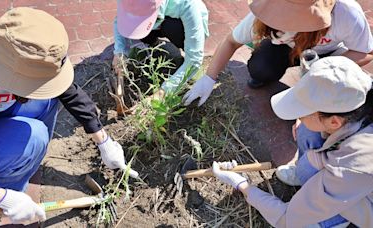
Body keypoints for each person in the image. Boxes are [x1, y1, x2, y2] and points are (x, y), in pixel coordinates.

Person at [0, 8, 138, 224]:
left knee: (47, 99)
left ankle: (19, 169)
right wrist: (0, 196)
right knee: (35, 137)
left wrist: (103, 140)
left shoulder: (16, 50)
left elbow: (69, 91)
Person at [212, 56, 373, 227]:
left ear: (334, 122)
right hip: (350, 174)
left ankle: (336, 220)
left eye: (303, 112)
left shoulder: (353, 165)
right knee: (305, 130)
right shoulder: (361, 96)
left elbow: (288, 219)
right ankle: (313, 182)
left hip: (361, 200)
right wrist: (305, 117)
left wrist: (242, 185)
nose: (298, 116)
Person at [183, 0, 373, 107]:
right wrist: (209, 78)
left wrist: (328, 67)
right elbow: (231, 41)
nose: (285, 25)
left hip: (326, 55)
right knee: (260, 68)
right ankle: (270, 71)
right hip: (286, 51)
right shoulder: (266, 15)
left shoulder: (346, 14)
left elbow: (367, 52)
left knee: (338, 93)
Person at [112, 0, 209, 94]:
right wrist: (120, 52)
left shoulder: (187, 4)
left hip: (183, 23)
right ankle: (150, 41)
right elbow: (120, 20)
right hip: (158, 20)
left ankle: (188, 71)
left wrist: (163, 92)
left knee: (173, 28)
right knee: (140, 33)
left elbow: (194, 59)